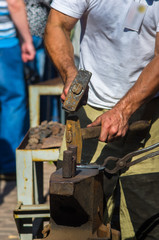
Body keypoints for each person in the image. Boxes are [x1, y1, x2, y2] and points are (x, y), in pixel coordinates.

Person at [44, 1, 159, 239]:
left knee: (147, 216)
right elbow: (57, 25)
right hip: (90, 111)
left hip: (151, 113)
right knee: (78, 211)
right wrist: (69, 73)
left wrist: (123, 110)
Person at [0, 0, 35, 179]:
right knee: (12, 101)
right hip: (3, 43)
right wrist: (27, 40)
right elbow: (14, 3)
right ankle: (8, 165)